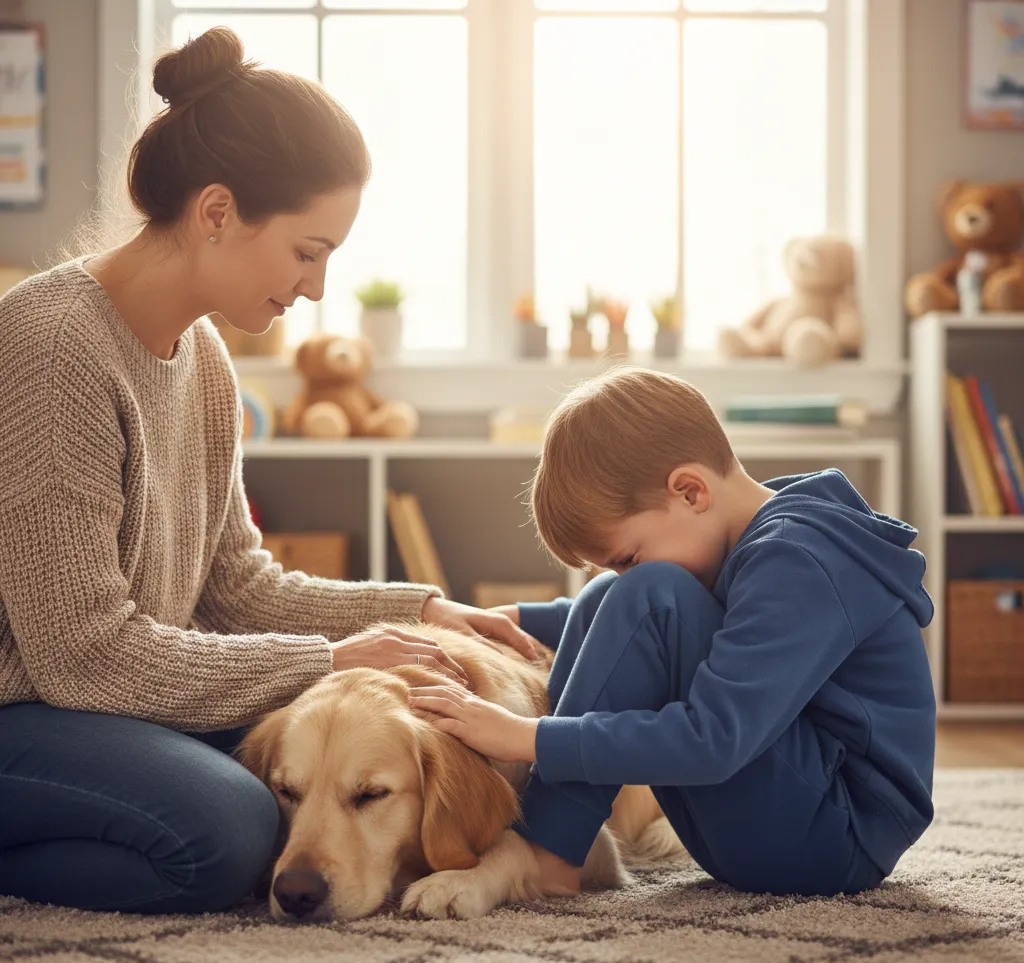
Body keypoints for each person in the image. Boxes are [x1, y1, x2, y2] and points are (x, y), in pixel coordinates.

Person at [0, 26, 535, 915]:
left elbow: (237, 587)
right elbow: (81, 653)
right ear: (217, 213)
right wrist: (328, 656)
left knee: (290, 774)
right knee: (228, 833)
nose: (319, 288)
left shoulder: (203, 356)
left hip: (92, 701)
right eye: (307, 251)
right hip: (31, 703)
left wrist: (424, 609)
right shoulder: (53, 348)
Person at [409, 366, 937, 898]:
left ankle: (547, 851)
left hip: (835, 839)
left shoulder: (799, 562)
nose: (628, 574)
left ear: (690, 491)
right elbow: (647, 620)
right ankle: (553, 839)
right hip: (789, 813)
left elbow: (715, 737)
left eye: (628, 557)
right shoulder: (757, 537)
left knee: (651, 593)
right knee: (609, 598)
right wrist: (506, 620)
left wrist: (526, 738)